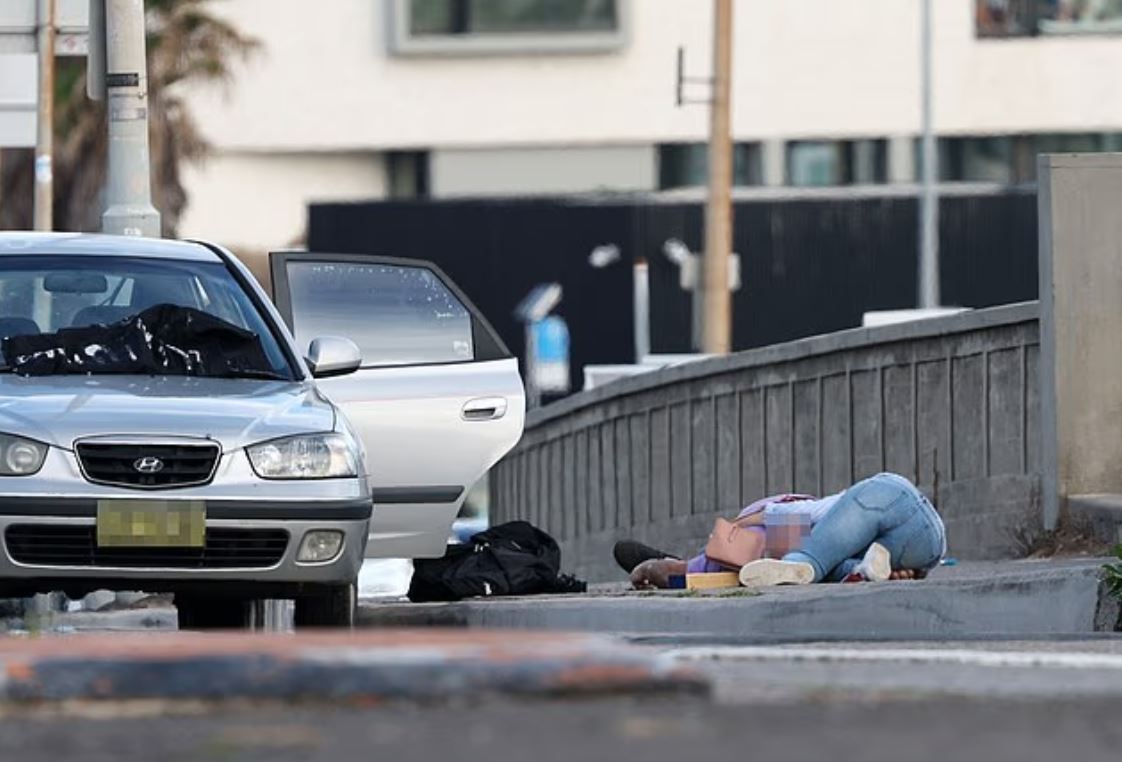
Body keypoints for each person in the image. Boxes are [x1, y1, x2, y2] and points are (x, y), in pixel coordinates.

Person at [615, 472, 946, 590]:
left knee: (815, 558)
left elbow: (687, 573)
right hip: (917, 541)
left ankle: (810, 563)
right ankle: (866, 570)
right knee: (835, 563)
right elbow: (685, 573)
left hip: (893, 510)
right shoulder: (768, 525)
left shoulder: (759, 525)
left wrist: (655, 571)